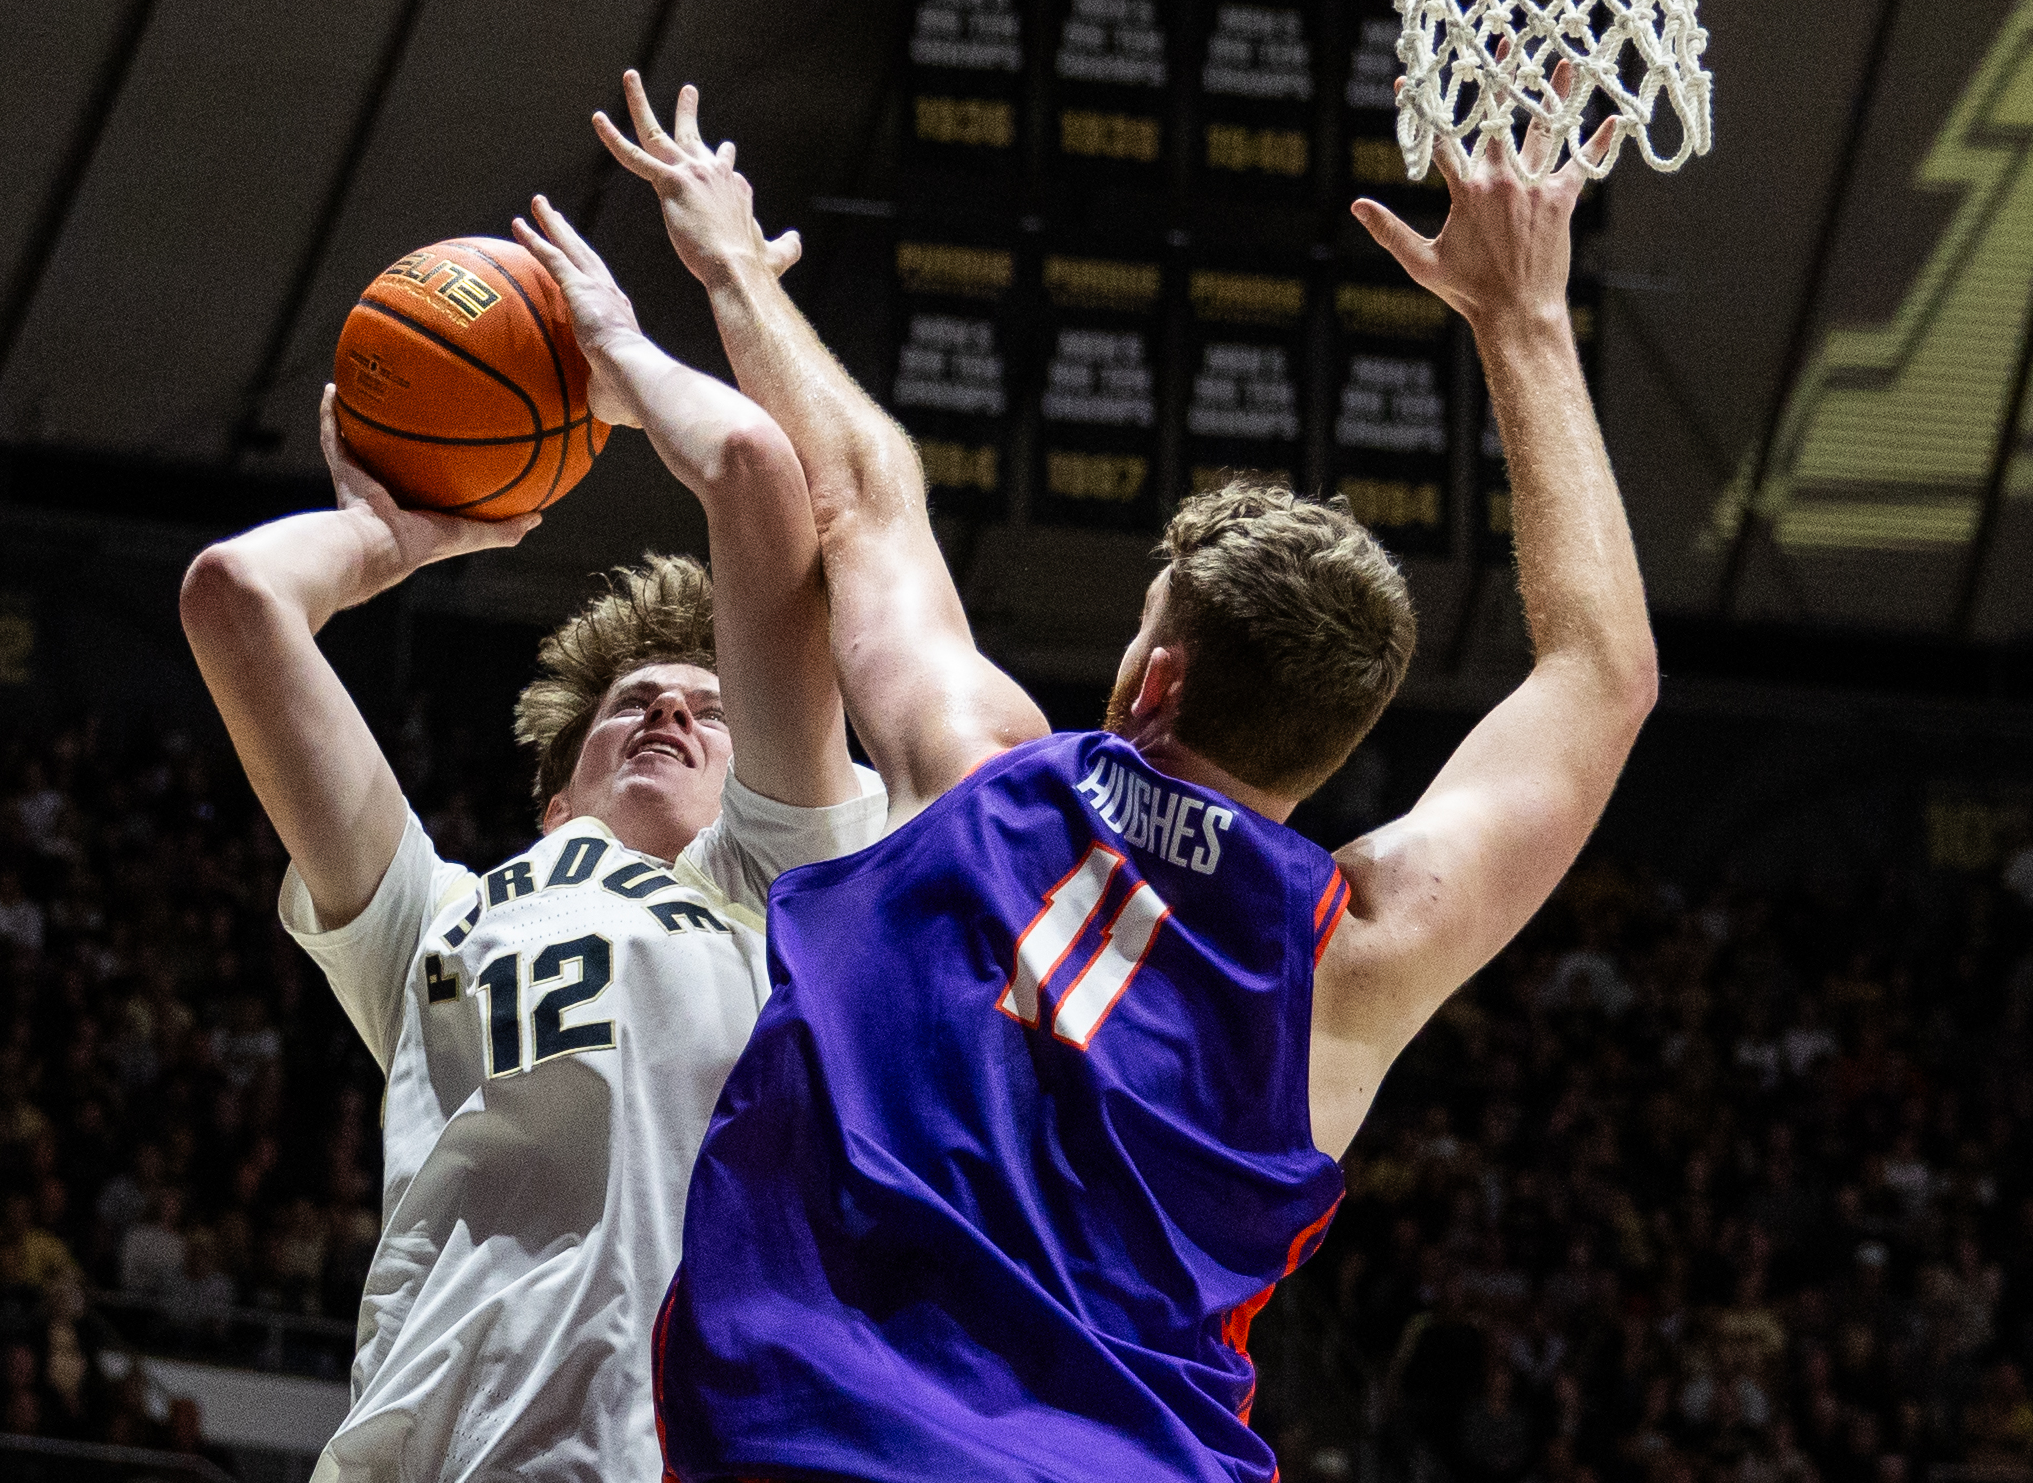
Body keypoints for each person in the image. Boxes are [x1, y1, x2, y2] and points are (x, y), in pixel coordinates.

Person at [600, 72, 1658, 1481]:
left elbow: (859, 486)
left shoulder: (979, 775)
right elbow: (1602, 676)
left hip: (815, 1439)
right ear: (1332, 735)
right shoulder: (1356, 952)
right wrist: (1523, 319)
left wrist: (732, 267)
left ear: (1154, 681)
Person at [177, 195, 883, 1479]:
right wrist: (388, 539)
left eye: (712, 710)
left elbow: (751, 474)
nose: (672, 707)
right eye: (634, 707)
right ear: (555, 796)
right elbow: (236, 598)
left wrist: (619, 359)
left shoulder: (787, 887)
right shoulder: (435, 917)